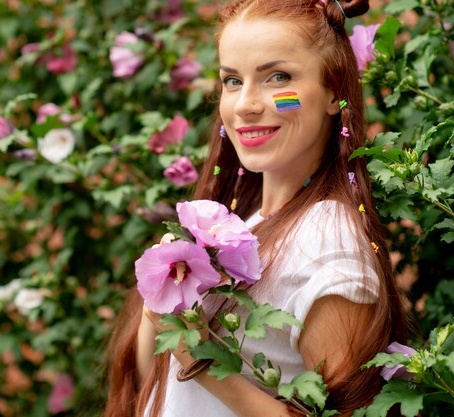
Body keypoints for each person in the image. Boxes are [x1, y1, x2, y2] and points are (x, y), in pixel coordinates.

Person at [104, 0, 409, 416]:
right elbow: (156, 388)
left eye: (277, 77)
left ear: (333, 93)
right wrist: (161, 296)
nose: (245, 104)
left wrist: (202, 359)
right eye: (232, 80)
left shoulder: (328, 248)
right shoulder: (242, 225)